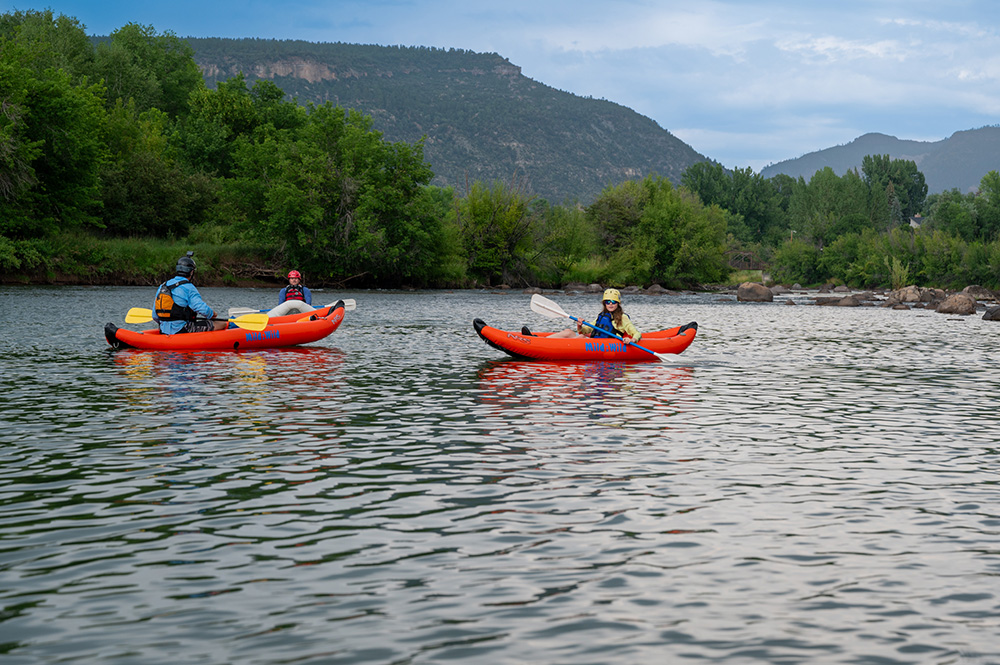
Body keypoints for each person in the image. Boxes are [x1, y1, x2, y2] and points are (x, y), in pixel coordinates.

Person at [153, 252, 227, 334]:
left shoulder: (163, 286)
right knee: (222, 324)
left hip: (163, 330)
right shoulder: (189, 287)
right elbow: (202, 309)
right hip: (182, 329)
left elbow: (155, 316)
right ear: (191, 272)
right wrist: (212, 314)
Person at [548, 288, 642, 342]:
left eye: (613, 302)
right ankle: (541, 341)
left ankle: (549, 346)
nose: (610, 304)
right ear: (604, 303)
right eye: (607, 302)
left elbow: (637, 334)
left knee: (581, 337)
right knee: (568, 331)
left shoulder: (623, 318)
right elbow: (585, 330)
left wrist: (632, 340)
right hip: (595, 342)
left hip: (609, 344)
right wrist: (579, 326)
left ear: (618, 303)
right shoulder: (602, 315)